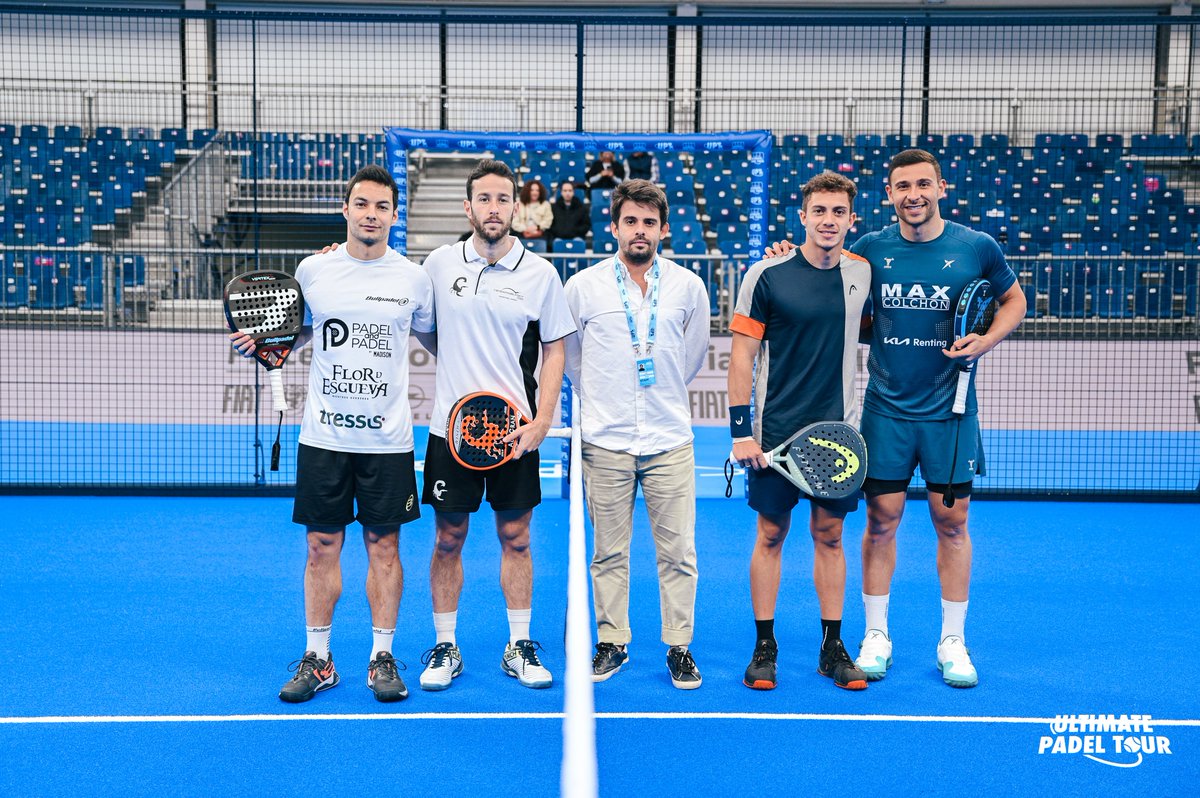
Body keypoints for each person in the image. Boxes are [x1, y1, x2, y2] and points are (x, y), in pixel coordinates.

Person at [766, 150, 1026, 688]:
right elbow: (822, 270)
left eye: (923, 184)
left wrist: (987, 340)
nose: (914, 194)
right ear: (889, 195)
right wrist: (788, 255)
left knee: (952, 524)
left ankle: (952, 640)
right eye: (902, 186)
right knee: (881, 521)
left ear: (941, 188)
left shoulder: (977, 247)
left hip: (951, 412)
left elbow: (1014, 301)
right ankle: (876, 634)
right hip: (885, 411)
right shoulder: (869, 249)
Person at [229, 164, 435, 704]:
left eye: (382, 207)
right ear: (345, 210)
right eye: (361, 204)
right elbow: (293, 336)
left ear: (394, 215)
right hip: (324, 439)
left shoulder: (414, 280)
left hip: (388, 443)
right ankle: (318, 658)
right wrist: (262, 343)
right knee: (321, 547)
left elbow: (440, 341)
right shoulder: (314, 270)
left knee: (384, 547)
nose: (371, 215)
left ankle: (382, 657)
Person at [417, 159, 577, 691]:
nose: (493, 207)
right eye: (484, 199)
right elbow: (424, 329)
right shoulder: (439, 264)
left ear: (517, 207)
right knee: (448, 538)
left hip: (515, 432)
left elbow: (555, 351)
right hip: (451, 432)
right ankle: (445, 645)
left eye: (503, 199)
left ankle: (519, 645)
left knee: (517, 537)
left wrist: (542, 420)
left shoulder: (541, 273)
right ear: (468, 207)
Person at [729, 171, 872, 692]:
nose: (828, 221)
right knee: (770, 534)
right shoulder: (765, 274)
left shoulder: (863, 273)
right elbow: (741, 357)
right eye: (820, 211)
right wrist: (741, 432)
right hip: (774, 436)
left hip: (838, 435)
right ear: (803, 216)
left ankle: (832, 648)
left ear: (852, 219)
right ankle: (764, 646)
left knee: (830, 536)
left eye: (838, 212)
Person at [564, 179, 710, 689]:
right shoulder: (582, 287)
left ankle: (679, 646)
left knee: (679, 554)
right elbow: (574, 362)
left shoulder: (689, 287)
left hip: (669, 437)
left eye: (650, 222)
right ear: (614, 227)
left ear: (664, 229)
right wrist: (606, 400)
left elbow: (691, 357)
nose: (640, 230)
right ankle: (612, 641)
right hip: (606, 440)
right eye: (631, 221)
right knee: (608, 552)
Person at [548, 180, 590, 247]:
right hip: (558, 238)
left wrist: (575, 232)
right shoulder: (554, 208)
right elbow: (550, 225)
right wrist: (558, 232)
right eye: (565, 191)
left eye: (570, 191)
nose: (567, 193)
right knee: (556, 243)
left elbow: (586, 225)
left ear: (573, 192)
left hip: (576, 238)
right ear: (561, 192)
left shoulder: (581, 208)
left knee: (578, 243)